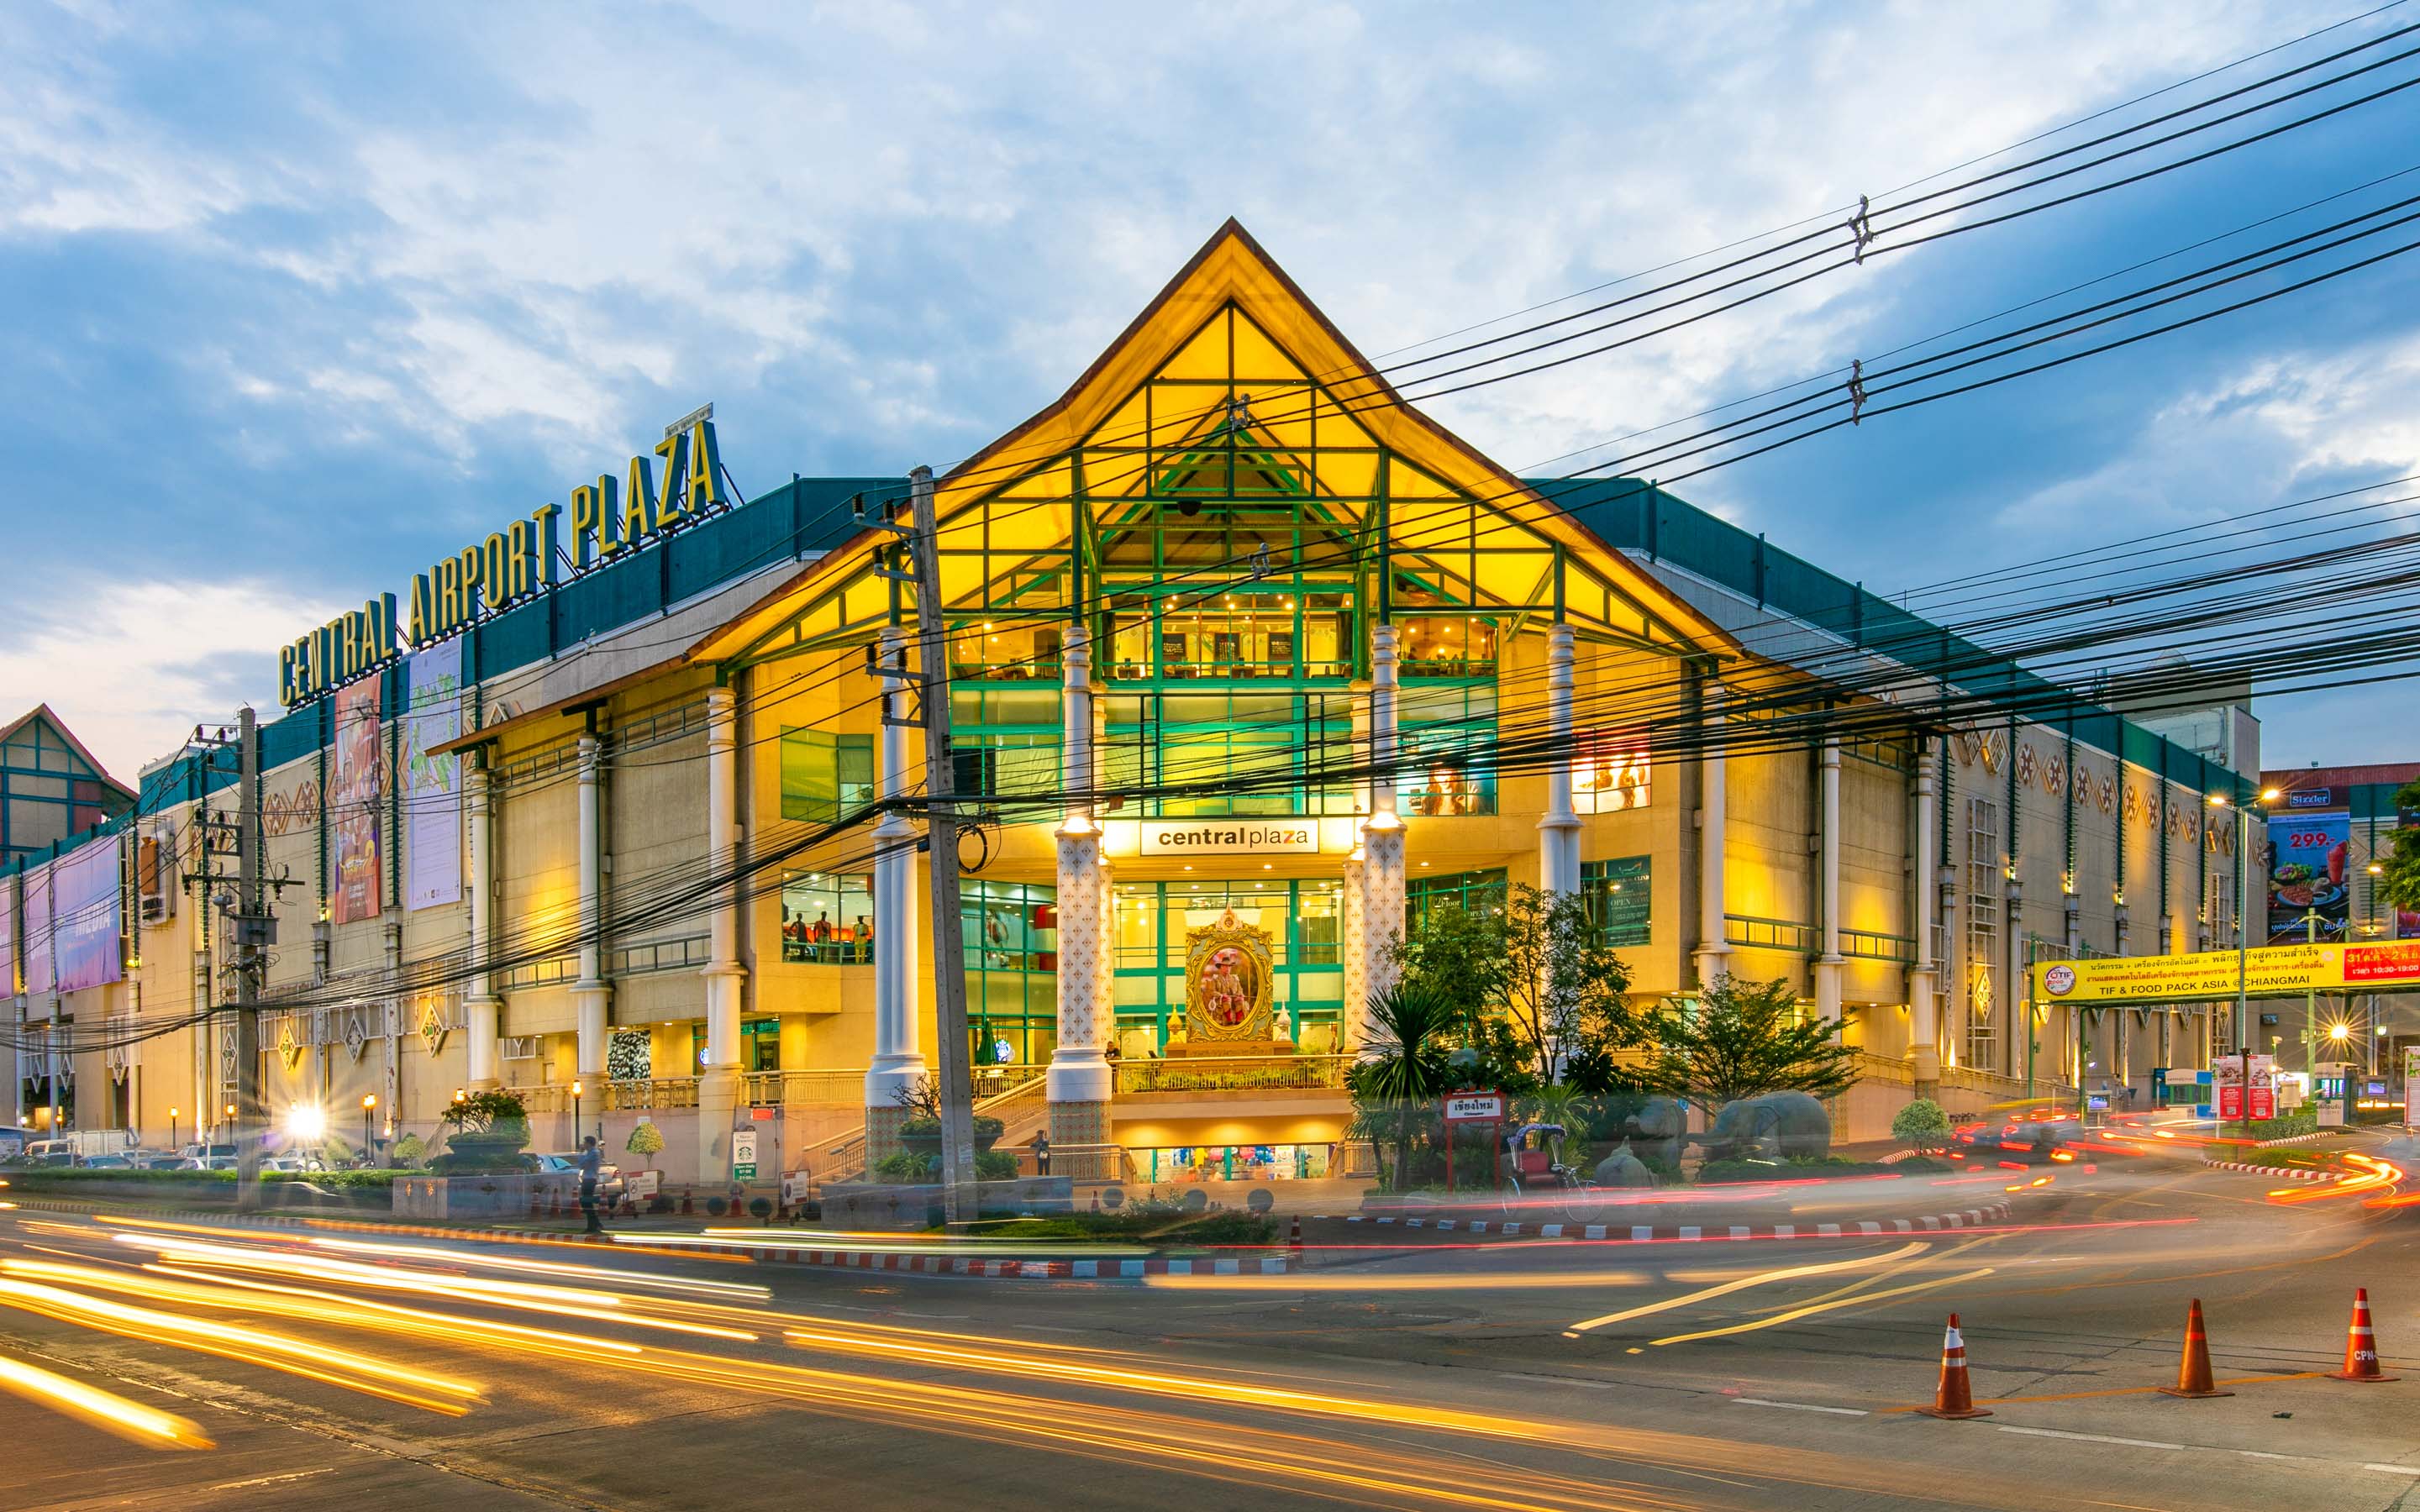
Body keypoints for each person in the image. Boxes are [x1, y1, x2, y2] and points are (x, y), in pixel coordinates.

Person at [577, 1135, 605, 1236]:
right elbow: (582, 1165)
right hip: (586, 1179)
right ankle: (595, 1224)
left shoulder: (594, 1153)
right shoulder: (589, 1153)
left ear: (589, 1143)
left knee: (587, 1203)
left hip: (590, 1179)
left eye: (585, 1142)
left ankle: (593, 1226)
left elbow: (582, 1164)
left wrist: (581, 1153)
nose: (583, 1144)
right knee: (586, 1204)